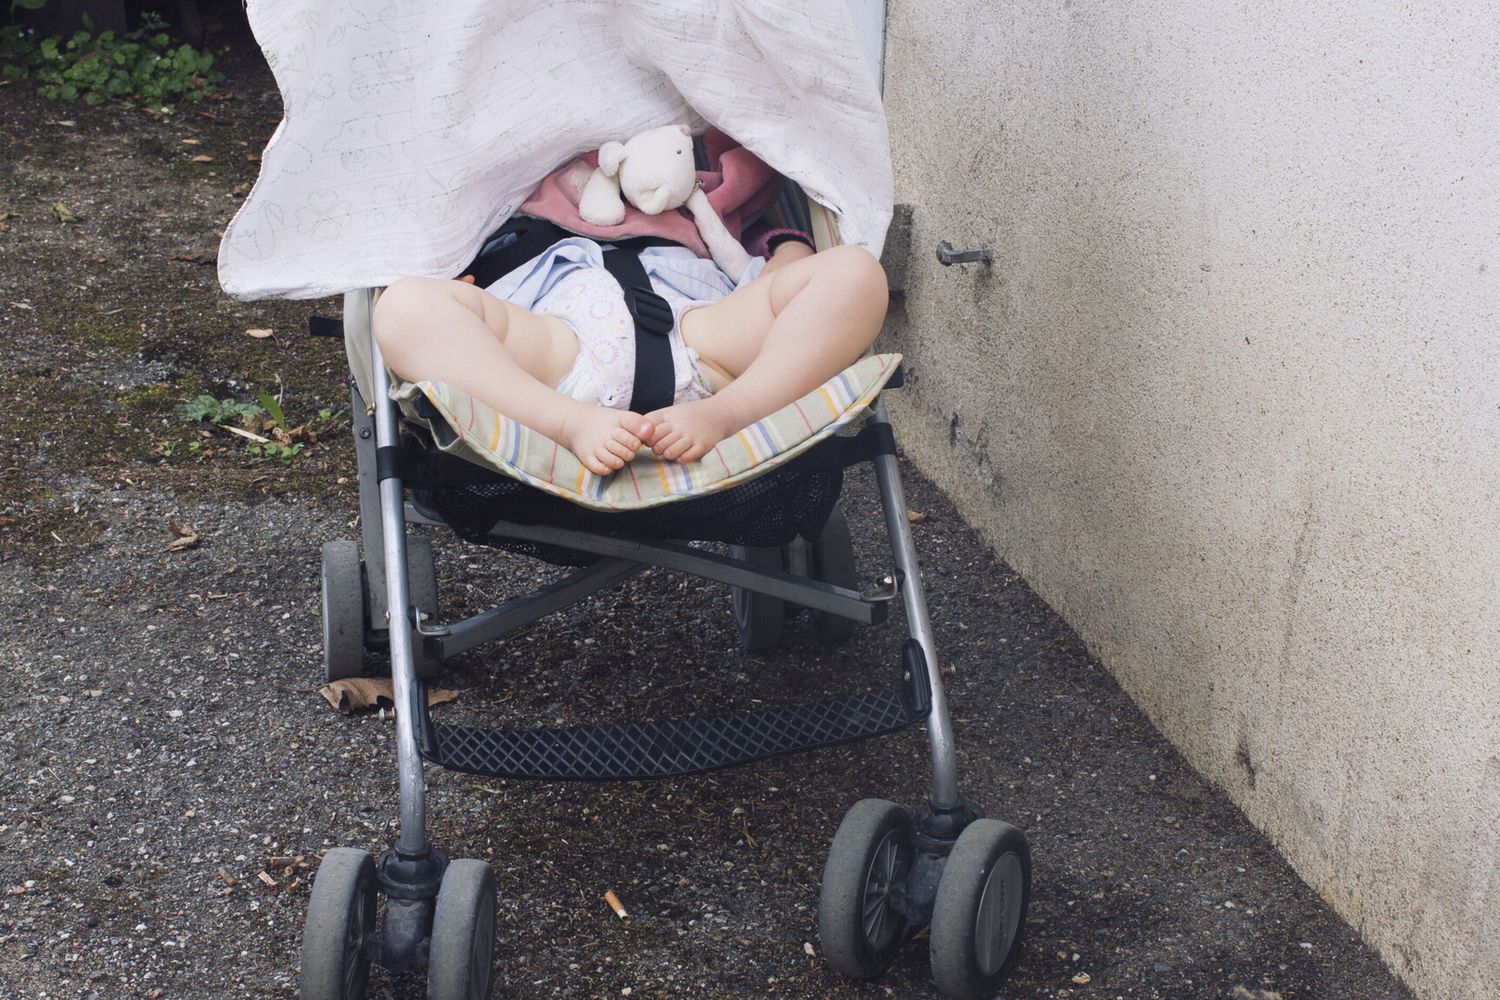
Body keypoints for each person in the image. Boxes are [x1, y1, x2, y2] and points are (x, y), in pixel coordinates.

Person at [373, 226, 888, 476]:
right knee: (403, 305)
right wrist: (446, 274)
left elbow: (785, 276)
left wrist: (786, 243)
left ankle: (733, 413)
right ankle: (566, 422)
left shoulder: (692, 195)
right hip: (551, 348)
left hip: (700, 334)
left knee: (854, 271)